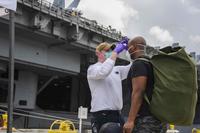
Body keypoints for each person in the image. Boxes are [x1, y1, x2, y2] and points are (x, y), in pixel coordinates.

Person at [87, 38, 131, 133]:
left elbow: (133, 67)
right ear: (98, 53)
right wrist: (115, 52)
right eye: (106, 51)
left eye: (110, 50)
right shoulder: (92, 69)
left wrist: (129, 51)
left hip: (117, 114)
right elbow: (104, 72)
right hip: (101, 115)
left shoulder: (117, 70)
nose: (110, 52)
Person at [123, 36, 167, 133]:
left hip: (146, 121)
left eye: (129, 48)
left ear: (133, 48)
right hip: (159, 121)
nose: (128, 51)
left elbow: (138, 91)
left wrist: (130, 120)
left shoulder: (139, 64)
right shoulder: (151, 64)